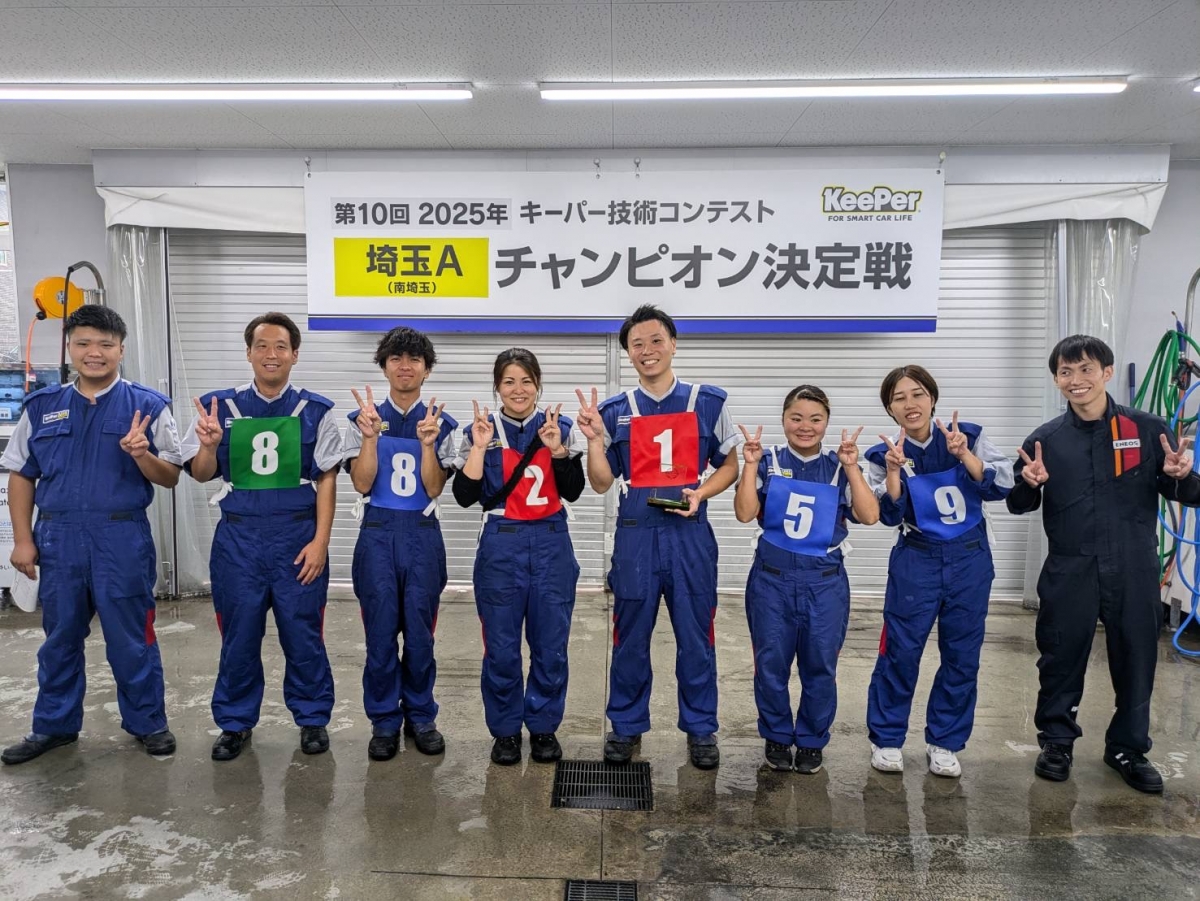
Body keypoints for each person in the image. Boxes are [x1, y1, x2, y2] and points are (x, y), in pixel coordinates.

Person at [1008, 335, 1200, 794]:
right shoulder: (1045, 440)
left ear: (1107, 373)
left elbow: (1187, 492)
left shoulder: (1146, 429)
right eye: (1065, 372)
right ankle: (1057, 743)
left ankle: (1127, 749)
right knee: (1060, 657)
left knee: (1136, 657)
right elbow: (1018, 504)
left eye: (1086, 369)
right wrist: (1030, 484)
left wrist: (1182, 475)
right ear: (1056, 379)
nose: (1076, 380)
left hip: (1133, 567)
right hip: (1070, 568)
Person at [1, 305, 182, 765]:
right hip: (58, 539)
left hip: (121, 537)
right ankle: (54, 726)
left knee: (131, 637)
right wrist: (22, 539)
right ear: (70, 348)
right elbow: (21, 474)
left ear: (121, 349)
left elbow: (171, 476)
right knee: (59, 637)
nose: (94, 352)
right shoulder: (41, 407)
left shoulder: (148, 406)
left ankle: (148, 722)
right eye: (83, 343)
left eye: (105, 344)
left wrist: (142, 455)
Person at [575, 304, 742, 770]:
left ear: (673, 344)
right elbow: (602, 482)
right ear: (628, 353)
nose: (647, 350)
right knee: (630, 636)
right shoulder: (614, 412)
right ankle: (626, 725)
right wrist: (594, 440)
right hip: (636, 536)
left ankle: (701, 727)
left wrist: (702, 492)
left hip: (690, 535)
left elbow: (730, 464)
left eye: (655, 340)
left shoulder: (708, 402)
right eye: (637, 344)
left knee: (696, 635)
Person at [182, 312, 340, 762]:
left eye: (281, 347)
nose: (272, 355)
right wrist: (209, 445)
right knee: (239, 635)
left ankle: (312, 718)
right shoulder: (218, 408)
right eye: (262, 346)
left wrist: (321, 542)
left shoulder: (318, 411)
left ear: (295, 354)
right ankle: (235, 722)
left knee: (303, 634)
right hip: (239, 541)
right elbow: (200, 474)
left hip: (298, 538)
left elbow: (328, 478)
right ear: (249, 352)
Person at [863, 364, 1013, 778]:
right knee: (900, 650)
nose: (909, 404)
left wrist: (964, 454)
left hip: (969, 558)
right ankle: (887, 737)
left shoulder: (969, 436)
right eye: (898, 398)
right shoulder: (881, 454)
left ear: (932, 398)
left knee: (962, 654)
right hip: (917, 559)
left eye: (917, 394)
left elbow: (1001, 486)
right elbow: (887, 515)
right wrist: (894, 471)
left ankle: (945, 741)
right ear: (890, 409)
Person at [733, 385, 879, 774]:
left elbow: (869, 515)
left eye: (815, 419)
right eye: (796, 418)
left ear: (826, 423)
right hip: (772, 581)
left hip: (824, 582)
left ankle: (813, 740)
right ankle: (777, 735)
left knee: (821, 666)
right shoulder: (767, 460)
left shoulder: (838, 465)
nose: (805, 426)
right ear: (784, 419)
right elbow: (744, 513)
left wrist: (852, 467)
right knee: (770, 665)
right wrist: (749, 466)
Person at [453, 348, 585, 766]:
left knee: (551, 645)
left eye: (526, 381)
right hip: (501, 544)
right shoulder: (479, 430)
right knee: (501, 647)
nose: (518, 389)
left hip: (551, 542)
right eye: (509, 381)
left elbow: (574, 490)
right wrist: (477, 449)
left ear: (538, 385)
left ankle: (544, 726)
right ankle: (506, 730)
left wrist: (558, 451)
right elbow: (464, 497)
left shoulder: (559, 427)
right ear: (497, 386)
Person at [343, 327, 459, 761]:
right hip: (377, 534)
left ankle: (422, 716)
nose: (405, 366)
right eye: (396, 358)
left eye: (414, 359)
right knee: (379, 636)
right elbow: (361, 483)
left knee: (420, 637)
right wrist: (369, 438)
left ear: (427, 370)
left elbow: (434, 488)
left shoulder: (443, 424)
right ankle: (384, 720)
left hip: (422, 536)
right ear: (384, 366)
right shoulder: (362, 419)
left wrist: (428, 445)